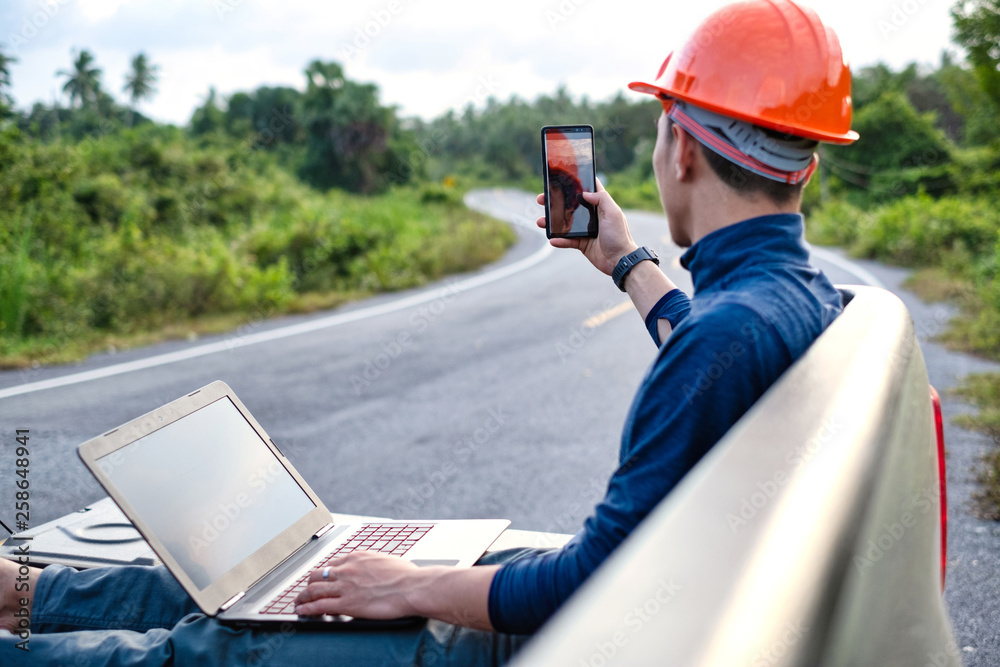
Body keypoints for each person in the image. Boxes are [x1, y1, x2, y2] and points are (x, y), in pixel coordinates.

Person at [0, 0, 858, 663]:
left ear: (683, 153)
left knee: (241, 640)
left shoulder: (728, 333)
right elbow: (707, 346)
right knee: (280, 574)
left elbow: (584, 583)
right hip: (668, 605)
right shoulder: (800, 299)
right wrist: (627, 261)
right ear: (807, 163)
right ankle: (34, 596)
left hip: (599, 627)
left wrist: (412, 585)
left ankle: (25, 624)